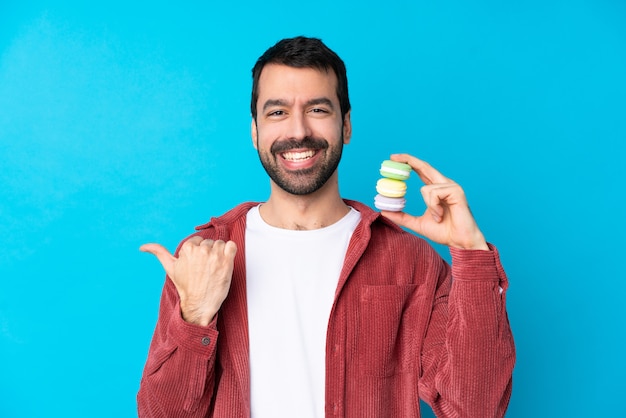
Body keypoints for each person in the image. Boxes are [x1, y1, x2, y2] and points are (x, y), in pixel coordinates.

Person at [136, 36, 515, 418]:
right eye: (277, 112)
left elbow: (475, 408)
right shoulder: (204, 256)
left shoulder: (410, 260)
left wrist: (471, 253)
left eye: (317, 109)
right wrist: (196, 314)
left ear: (346, 125)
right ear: (254, 131)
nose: (298, 131)